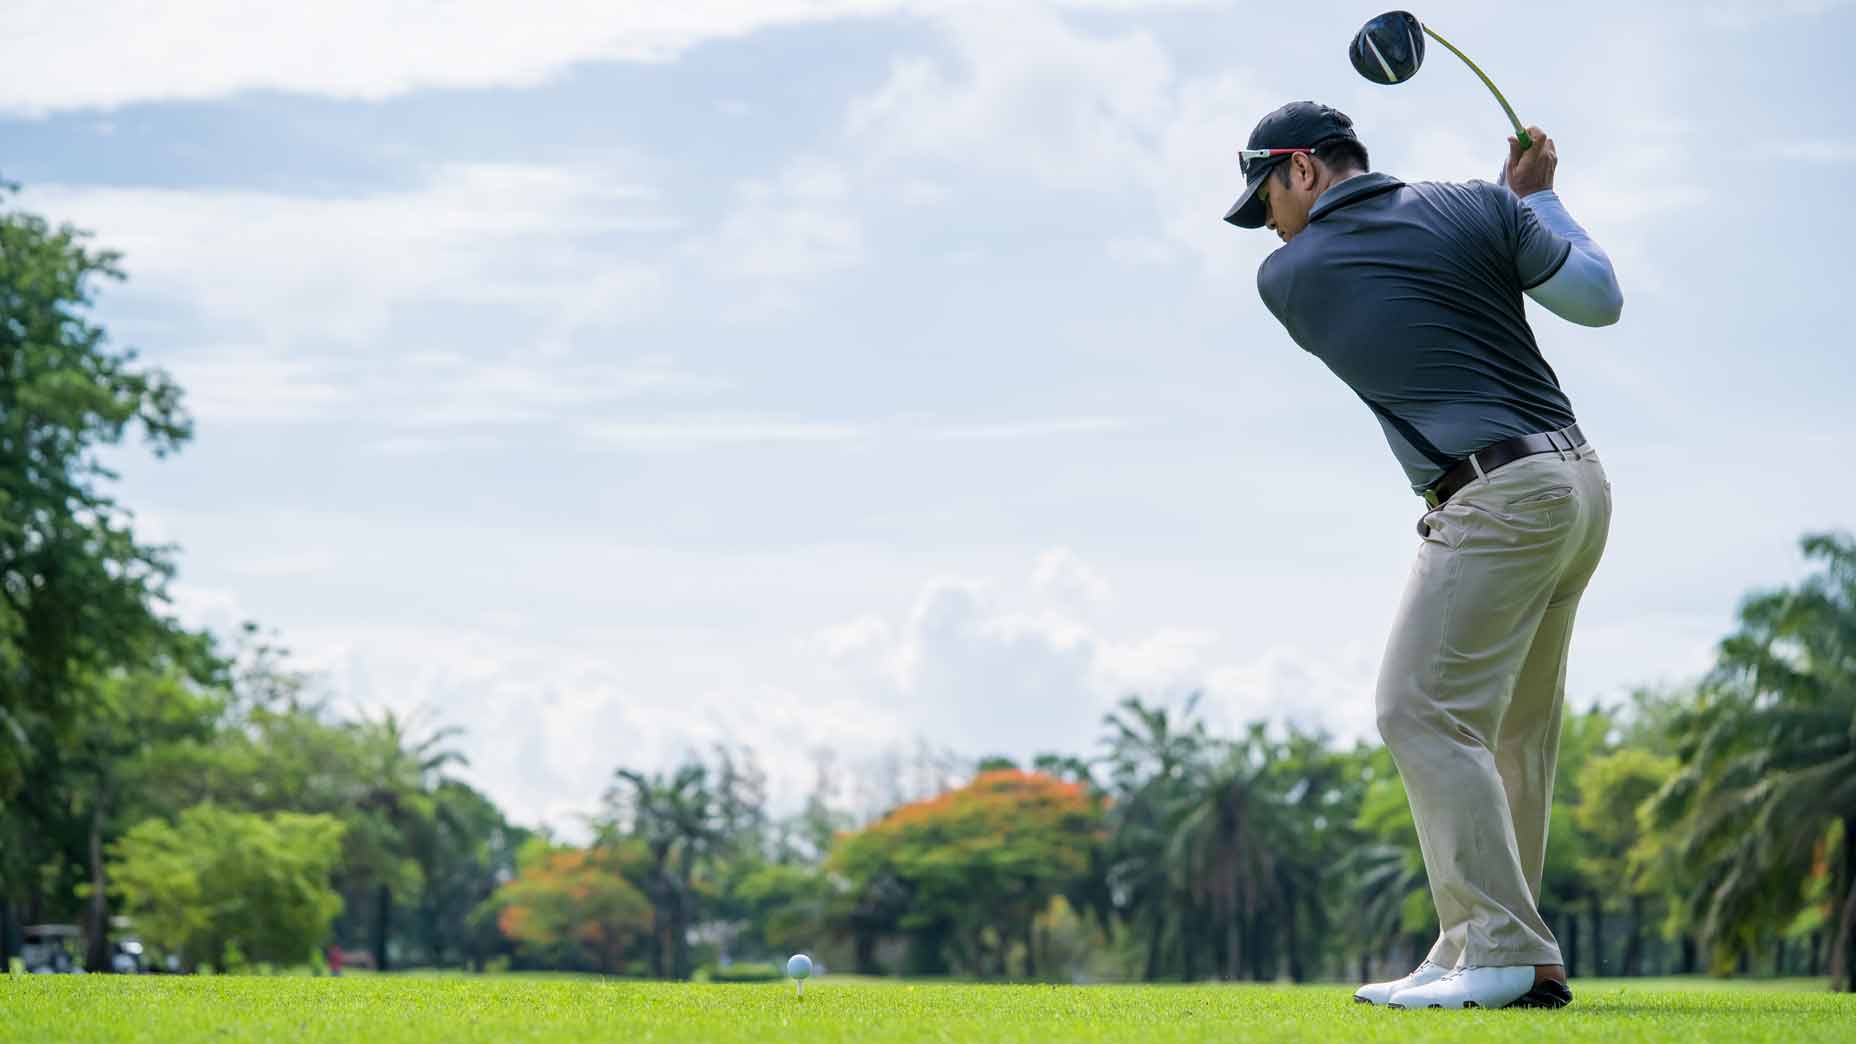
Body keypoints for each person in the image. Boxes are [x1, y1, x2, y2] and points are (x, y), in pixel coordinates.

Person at [1225, 101, 1621, 1010]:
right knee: (1510, 732)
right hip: (1580, 487)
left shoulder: (1292, 273)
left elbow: (1402, 262)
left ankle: (1497, 949)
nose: (1269, 223)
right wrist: (1535, 204)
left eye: (1268, 196)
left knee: (1417, 710)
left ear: (1306, 170)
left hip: (1495, 498)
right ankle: (1487, 947)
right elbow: (1597, 301)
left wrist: (1506, 204)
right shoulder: (1479, 209)